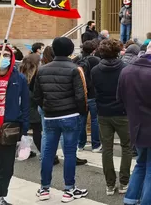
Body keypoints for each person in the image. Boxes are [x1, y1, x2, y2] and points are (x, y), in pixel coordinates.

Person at [34, 37, 88, 202]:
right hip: (70, 114)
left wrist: (47, 107)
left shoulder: (42, 69)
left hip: (50, 115)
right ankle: (69, 189)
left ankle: (44, 188)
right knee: (70, 153)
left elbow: (37, 95)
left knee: (48, 152)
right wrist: (80, 113)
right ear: (71, 51)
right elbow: (81, 96)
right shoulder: (75, 69)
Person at [118, 39, 151, 205]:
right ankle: (146, 202)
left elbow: (119, 98)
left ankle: (130, 199)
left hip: (136, 125)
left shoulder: (126, 71)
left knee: (141, 164)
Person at [91, 39, 132, 196]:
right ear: (118, 52)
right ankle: (124, 182)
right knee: (126, 147)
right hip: (122, 112)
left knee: (106, 149)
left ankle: (109, 184)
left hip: (103, 112)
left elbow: (94, 90)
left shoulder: (95, 70)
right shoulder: (125, 69)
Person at [0, 45, 29, 205]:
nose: (2, 57)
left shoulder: (19, 78)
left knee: (6, 167)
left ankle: (0, 195)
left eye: (6, 55)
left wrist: (24, 131)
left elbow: (25, 105)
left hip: (9, 128)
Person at [76, 41, 101, 153]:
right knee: (95, 120)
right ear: (93, 50)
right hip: (93, 93)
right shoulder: (96, 60)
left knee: (82, 119)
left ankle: (80, 143)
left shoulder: (77, 60)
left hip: (81, 93)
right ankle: (96, 145)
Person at [19, 53, 41, 159]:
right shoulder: (36, 74)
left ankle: (24, 151)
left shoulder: (20, 73)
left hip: (21, 106)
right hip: (32, 105)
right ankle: (44, 152)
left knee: (23, 131)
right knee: (37, 130)